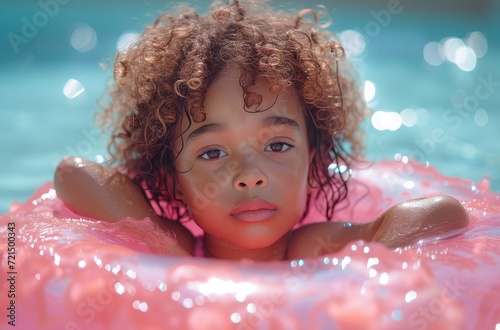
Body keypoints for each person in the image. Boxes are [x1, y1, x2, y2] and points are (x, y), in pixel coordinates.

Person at [54, 0, 469, 261]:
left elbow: (444, 211)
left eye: (277, 144)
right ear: (172, 179)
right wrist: (160, 244)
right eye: (212, 152)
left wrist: (366, 263)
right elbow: (73, 174)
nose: (249, 173)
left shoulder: (311, 249)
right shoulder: (179, 247)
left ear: (314, 162)